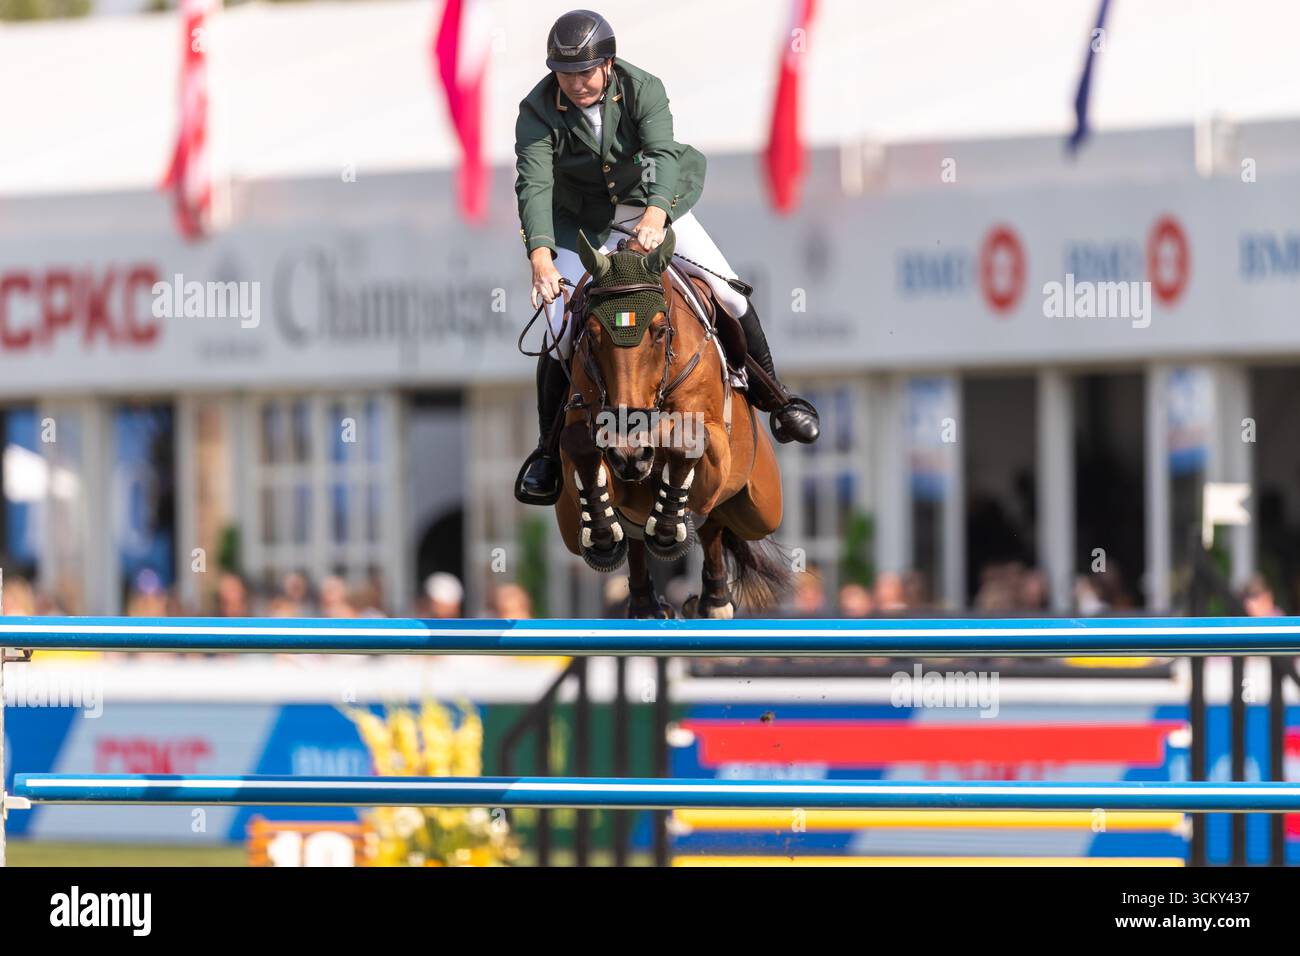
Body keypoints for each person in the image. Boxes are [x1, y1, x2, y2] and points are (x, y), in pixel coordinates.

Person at [513, 9, 820, 506]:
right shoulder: (536, 109)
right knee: (556, 324)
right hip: (585, 226)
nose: (574, 83)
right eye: (564, 74)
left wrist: (655, 214)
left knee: (727, 291)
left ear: (607, 65)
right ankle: (548, 451)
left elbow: (661, 154)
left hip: (654, 206)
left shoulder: (642, 87)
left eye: (584, 72)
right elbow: (534, 182)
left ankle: (776, 399)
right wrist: (541, 257)